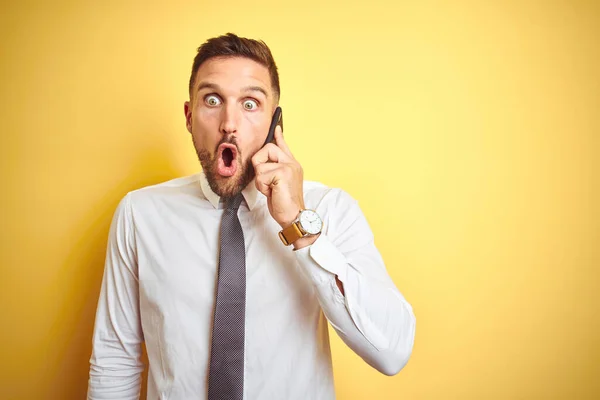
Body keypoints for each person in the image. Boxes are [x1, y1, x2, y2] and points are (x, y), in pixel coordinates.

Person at [87, 32, 416, 400]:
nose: (229, 123)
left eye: (250, 104)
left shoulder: (330, 210)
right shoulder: (140, 214)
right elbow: (115, 361)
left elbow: (393, 351)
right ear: (189, 116)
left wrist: (299, 226)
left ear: (276, 122)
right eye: (213, 100)